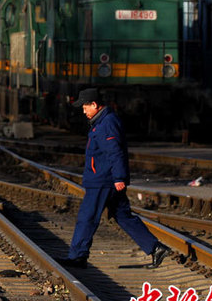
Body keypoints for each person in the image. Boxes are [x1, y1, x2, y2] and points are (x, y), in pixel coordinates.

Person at [58, 88, 170, 269]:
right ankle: (155, 248)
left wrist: (119, 177)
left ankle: (77, 256)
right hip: (106, 179)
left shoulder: (106, 124)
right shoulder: (102, 122)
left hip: (103, 180)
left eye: (85, 107)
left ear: (95, 105)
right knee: (123, 216)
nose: (83, 111)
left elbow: (115, 152)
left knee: (87, 217)